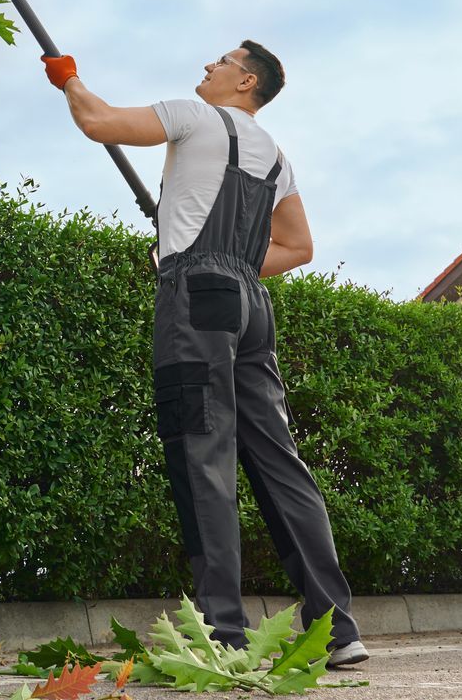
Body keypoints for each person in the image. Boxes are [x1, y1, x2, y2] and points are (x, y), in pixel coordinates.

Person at [42, 43, 368, 669]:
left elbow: (99, 123)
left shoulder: (189, 117)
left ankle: (225, 634)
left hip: (197, 299)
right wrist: (230, 264)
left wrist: (69, 79)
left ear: (247, 81)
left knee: (202, 453)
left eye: (220, 62)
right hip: (251, 305)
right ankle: (336, 629)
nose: (206, 68)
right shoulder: (278, 158)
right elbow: (298, 248)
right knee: (279, 463)